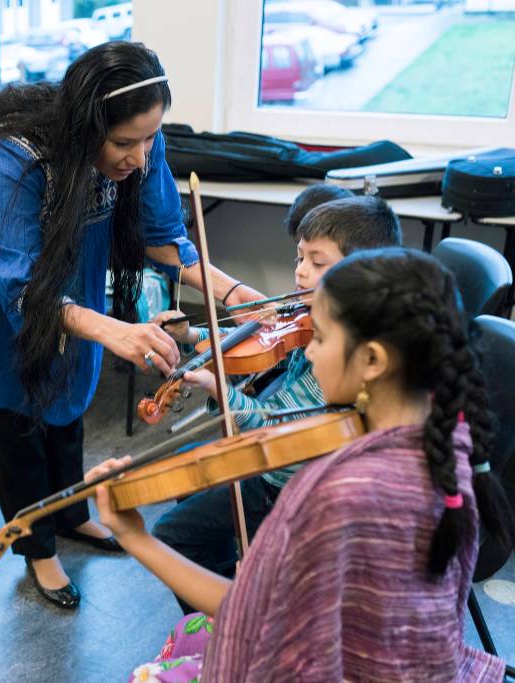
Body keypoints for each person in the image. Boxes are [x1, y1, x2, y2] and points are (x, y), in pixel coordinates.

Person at [0, 42, 262, 609]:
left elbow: (162, 236)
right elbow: (20, 284)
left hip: (72, 275)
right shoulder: (16, 153)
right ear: (85, 125)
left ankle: (72, 512)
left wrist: (233, 292)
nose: (140, 158)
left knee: (70, 394)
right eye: (124, 143)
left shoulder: (142, 138)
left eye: (149, 139)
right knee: (15, 416)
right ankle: (38, 549)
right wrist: (114, 330)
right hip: (1, 286)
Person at [89, 248, 512, 681]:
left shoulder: (344, 492)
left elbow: (249, 614)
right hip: (416, 660)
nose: (308, 353)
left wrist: (136, 537)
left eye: (321, 339)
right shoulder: (448, 435)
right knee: (187, 631)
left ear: (373, 361)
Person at [150, 195, 402, 613]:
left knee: (170, 536)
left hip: (286, 482)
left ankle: (233, 620)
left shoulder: (347, 353)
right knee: (187, 471)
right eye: (299, 257)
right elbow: (256, 345)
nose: (300, 271)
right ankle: (233, 585)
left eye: (317, 262)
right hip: (277, 462)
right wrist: (193, 336)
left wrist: (218, 388)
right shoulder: (315, 315)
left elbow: (273, 427)